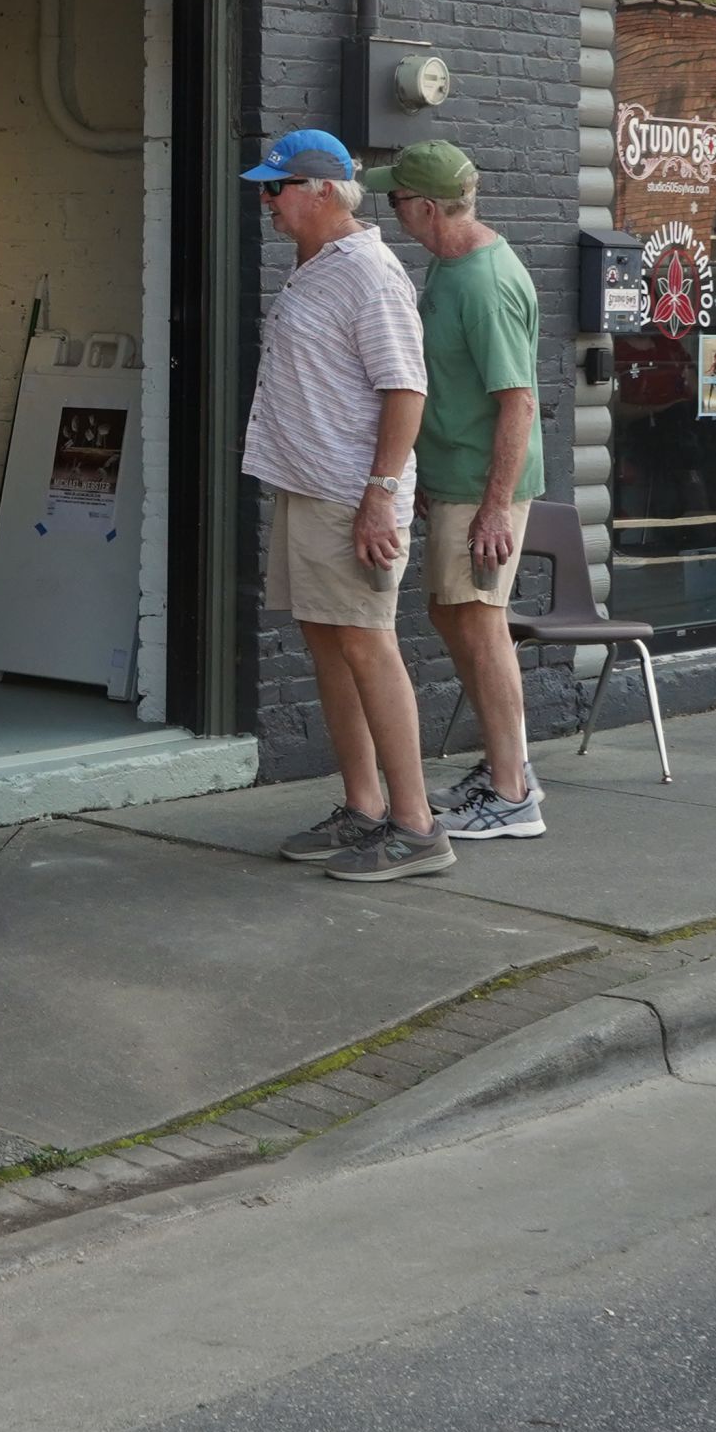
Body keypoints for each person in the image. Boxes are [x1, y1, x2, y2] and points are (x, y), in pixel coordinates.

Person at [243, 129, 453, 882]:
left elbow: (407, 388)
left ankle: (417, 826)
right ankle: (364, 808)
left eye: (277, 187)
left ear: (321, 190)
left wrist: (381, 496)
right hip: (308, 489)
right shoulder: (315, 266)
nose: (266, 200)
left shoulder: (369, 271)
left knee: (368, 645)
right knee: (328, 647)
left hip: (350, 497)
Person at [381, 141, 548, 841]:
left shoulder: (483, 281)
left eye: (395, 200)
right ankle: (507, 769)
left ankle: (513, 794)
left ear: (424, 206)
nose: (391, 211)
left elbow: (518, 402)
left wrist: (491, 508)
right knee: (456, 617)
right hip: (453, 480)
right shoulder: (449, 266)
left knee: (480, 625)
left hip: (483, 488)